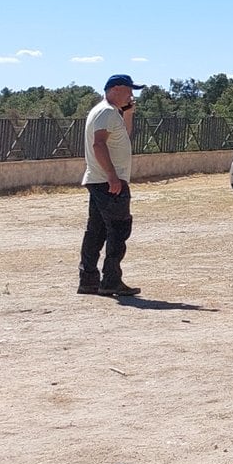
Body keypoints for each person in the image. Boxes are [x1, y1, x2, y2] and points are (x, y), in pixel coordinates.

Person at [79, 73, 141, 298]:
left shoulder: (107, 112)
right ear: (115, 89)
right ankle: (110, 281)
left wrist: (128, 114)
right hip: (108, 182)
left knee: (96, 231)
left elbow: (122, 137)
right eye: (128, 90)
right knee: (118, 229)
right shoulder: (106, 112)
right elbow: (99, 144)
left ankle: (89, 281)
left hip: (99, 180)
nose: (131, 95)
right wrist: (113, 176)